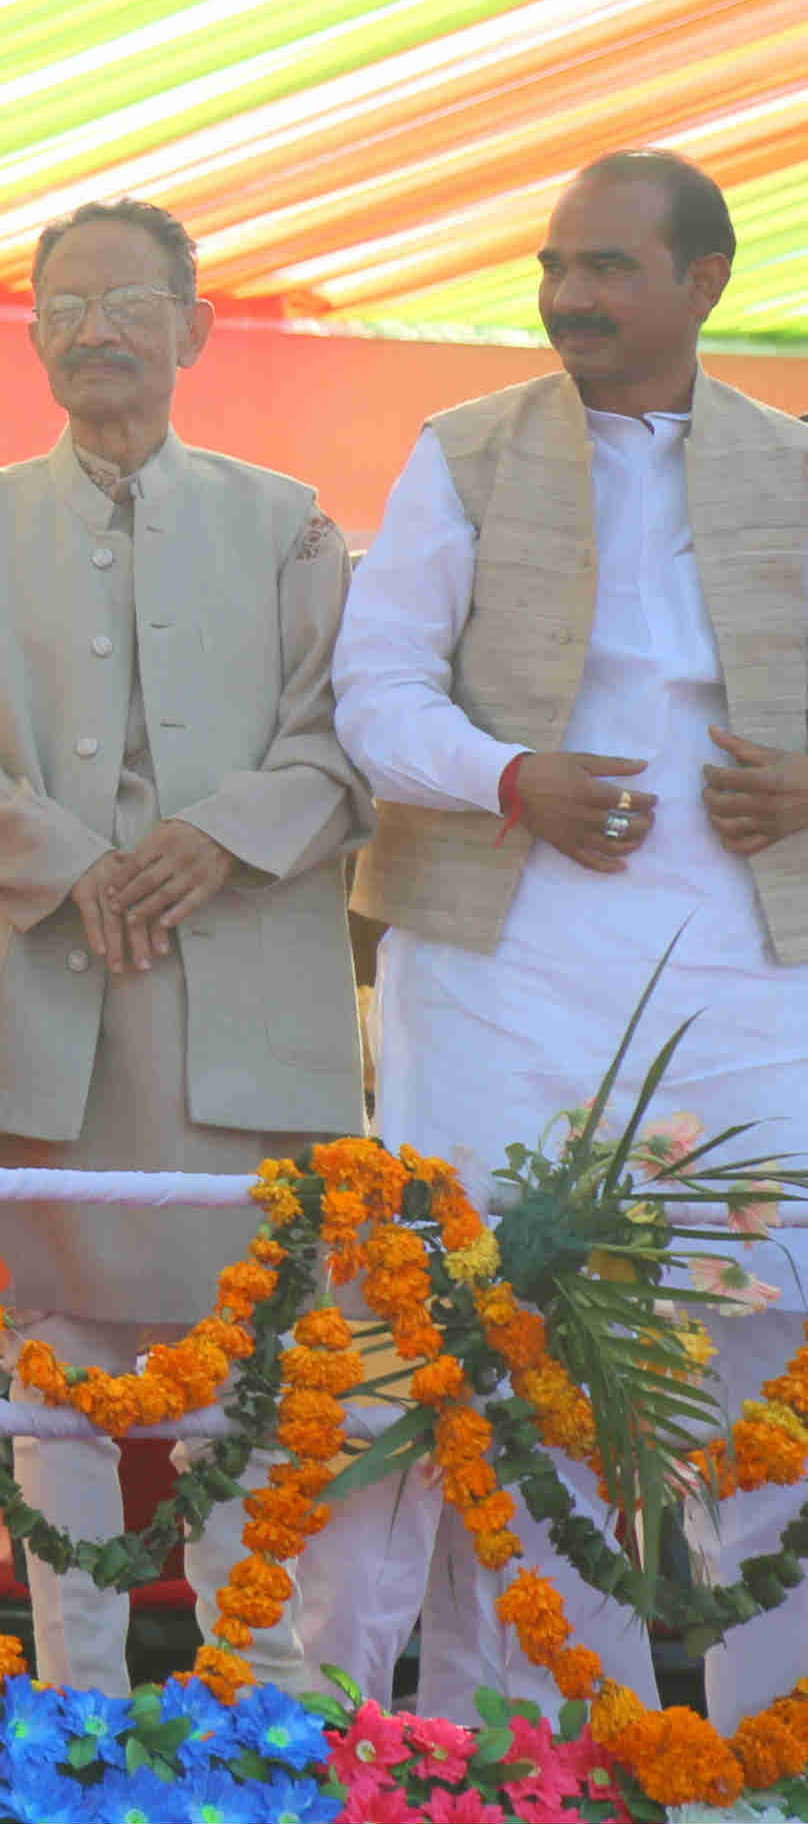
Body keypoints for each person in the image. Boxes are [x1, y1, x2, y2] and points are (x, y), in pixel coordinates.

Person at [335, 148, 808, 1724]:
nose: (572, 294)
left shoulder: (793, 463)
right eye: (555, 263)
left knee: (759, 1349)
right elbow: (378, 691)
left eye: (608, 265)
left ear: (702, 285)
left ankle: (764, 1756)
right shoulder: (462, 451)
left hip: (748, 960)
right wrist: (510, 778)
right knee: (513, 1339)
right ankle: (537, 1754)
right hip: (504, 957)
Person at [0, 198, 369, 1694]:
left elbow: (354, 737)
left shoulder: (288, 519)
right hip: (45, 992)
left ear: (194, 327)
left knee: (257, 1367)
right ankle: (73, 1699)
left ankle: (263, 1700)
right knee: (63, 1363)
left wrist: (219, 832)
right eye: (66, 305)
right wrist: (63, 856)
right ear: (33, 331)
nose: (95, 330)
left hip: (247, 1010)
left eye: (127, 301)